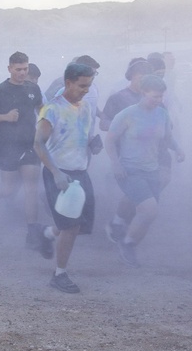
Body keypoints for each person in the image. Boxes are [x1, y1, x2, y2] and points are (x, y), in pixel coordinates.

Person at [105, 75, 185, 267]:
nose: (158, 100)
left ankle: (123, 233)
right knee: (149, 210)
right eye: (155, 96)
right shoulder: (127, 114)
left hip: (152, 170)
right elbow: (109, 140)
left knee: (144, 209)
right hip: (129, 170)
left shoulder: (162, 114)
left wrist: (178, 149)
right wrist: (116, 164)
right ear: (143, 92)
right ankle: (127, 244)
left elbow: (167, 136)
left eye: (161, 97)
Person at [34, 63, 99, 293]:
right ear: (68, 82)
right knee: (71, 227)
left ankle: (46, 233)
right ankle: (59, 274)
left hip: (80, 172)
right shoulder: (51, 109)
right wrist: (56, 173)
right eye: (82, 85)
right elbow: (38, 143)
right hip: (58, 173)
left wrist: (93, 142)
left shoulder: (87, 107)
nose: (86, 90)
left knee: (80, 226)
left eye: (89, 85)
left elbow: (85, 135)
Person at [0, 51, 50, 257]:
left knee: (31, 188)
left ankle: (32, 233)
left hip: (30, 145)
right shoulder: (0, 90)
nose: (22, 73)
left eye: (25, 69)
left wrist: (47, 119)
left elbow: (41, 109)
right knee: (9, 189)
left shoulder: (33, 88)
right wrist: (5, 117)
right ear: (9, 68)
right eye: (18, 69)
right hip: (8, 145)